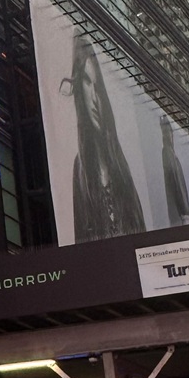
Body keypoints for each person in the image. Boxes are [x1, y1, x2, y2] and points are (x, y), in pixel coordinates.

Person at [67, 34, 146, 242]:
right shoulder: (81, 169)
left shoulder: (119, 162)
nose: (94, 97)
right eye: (86, 81)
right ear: (78, 87)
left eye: (97, 84)